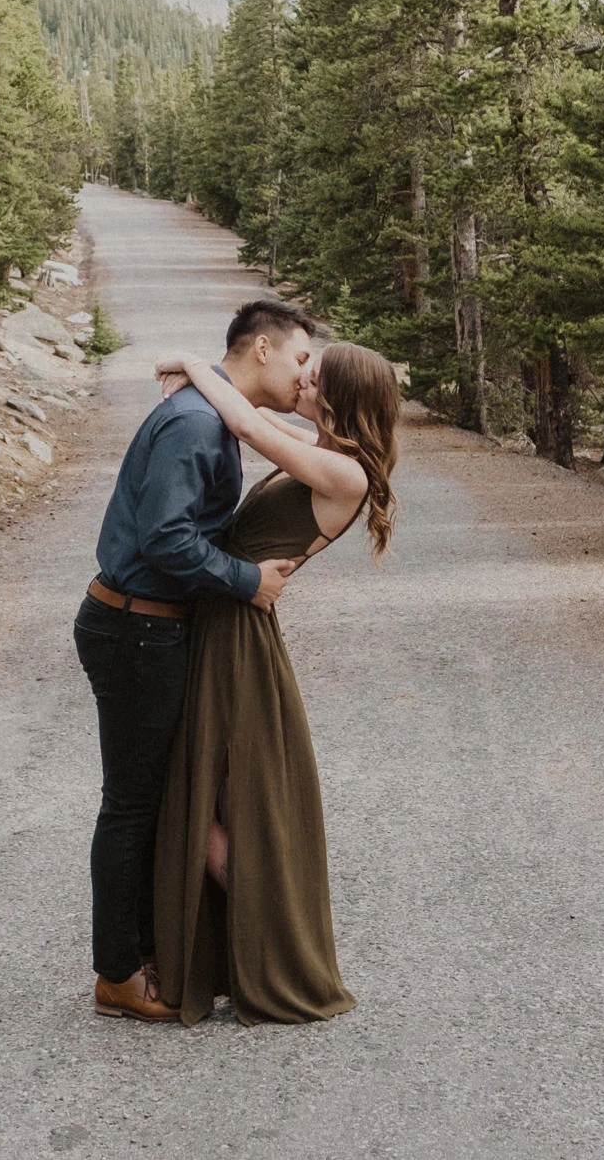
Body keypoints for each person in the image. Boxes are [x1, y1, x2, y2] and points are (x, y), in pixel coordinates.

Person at [75, 298, 321, 1022]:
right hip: (136, 626)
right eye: (300, 357)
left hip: (149, 625)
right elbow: (166, 539)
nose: (304, 375)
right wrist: (249, 581)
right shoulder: (195, 424)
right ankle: (117, 974)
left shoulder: (210, 414)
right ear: (263, 348)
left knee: (155, 796)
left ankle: (152, 950)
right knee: (133, 802)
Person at [146, 338, 400, 1025]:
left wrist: (197, 366)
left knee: (204, 790)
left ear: (342, 396)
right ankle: (249, 948)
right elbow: (257, 419)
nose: (302, 378)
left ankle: (277, 951)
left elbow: (247, 424)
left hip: (236, 639)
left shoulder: (345, 475)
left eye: (316, 375)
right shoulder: (322, 452)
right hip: (227, 624)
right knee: (208, 791)